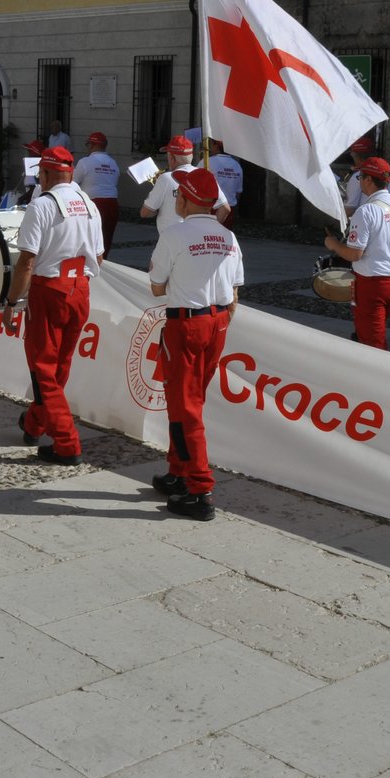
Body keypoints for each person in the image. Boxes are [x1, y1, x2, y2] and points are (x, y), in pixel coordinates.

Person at [148, 168, 244, 521]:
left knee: (185, 405)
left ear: (184, 199)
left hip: (186, 324)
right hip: (217, 322)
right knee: (189, 399)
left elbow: (157, 288)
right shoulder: (229, 237)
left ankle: (200, 489)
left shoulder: (175, 235)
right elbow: (235, 293)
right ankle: (179, 470)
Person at [4, 145, 103, 467]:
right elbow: (99, 256)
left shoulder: (42, 205)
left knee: (44, 370)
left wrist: (12, 303)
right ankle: (34, 424)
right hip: (80, 289)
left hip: (50, 290)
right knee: (59, 366)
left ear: (45, 174)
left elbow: (26, 262)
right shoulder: (89, 204)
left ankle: (67, 442)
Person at [322, 157, 390, 350]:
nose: (359, 181)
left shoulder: (365, 211)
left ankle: (375, 377)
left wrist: (333, 244)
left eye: (361, 177)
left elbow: (354, 255)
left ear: (369, 180)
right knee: (371, 331)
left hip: (373, 284)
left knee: (373, 345)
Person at [73, 131, 120, 252]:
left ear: (92, 145)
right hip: (112, 204)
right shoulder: (113, 163)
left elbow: (72, 182)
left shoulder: (85, 162)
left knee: (89, 240)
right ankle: (103, 264)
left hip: (93, 204)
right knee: (106, 240)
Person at [344, 136, 390, 215]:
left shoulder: (359, 177)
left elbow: (349, 210)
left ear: (360, 158)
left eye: (353, 158)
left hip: (369, 221)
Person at [208, 139, 244, 231]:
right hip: (230, 209)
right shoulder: (237, 165)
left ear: (216, 146)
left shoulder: (207, 162)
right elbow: (238, 192)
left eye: (211, 145)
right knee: (225, 241)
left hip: (211, 208)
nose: (209, 148)